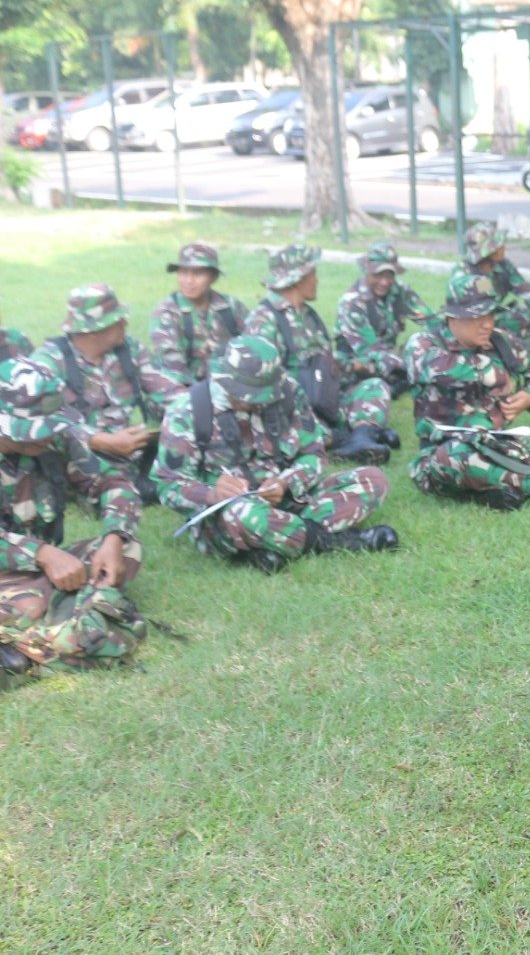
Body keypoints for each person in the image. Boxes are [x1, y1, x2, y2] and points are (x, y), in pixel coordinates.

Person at [153, 335, 398, 575]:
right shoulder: (188, 412)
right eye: (246, 396)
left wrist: (286, 482)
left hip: (289, 499)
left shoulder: (288, 393)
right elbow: (168, 485)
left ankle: (273, 542)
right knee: (246, 516)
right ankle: (335, 541)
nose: (255, 404)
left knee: (373, 479)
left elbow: (314, 453)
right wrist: (212, 493)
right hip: (230, 515)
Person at [0, 357, 147, 683]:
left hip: (35, 571)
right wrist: (42, 554)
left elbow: (114, 485)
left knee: (127, 550)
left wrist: (112, 538)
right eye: (33, 431)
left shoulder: (54, 440)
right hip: (27, 565)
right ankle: (70, 617)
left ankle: (35, 631)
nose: (44, 438)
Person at [407, 273, 530, 511]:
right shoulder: (425, 343)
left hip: (499, 447)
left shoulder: (499, 341)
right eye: (477, 316)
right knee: (454, 457)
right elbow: (440, 369)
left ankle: (496, 487)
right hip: (448, 451)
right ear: (453, 316)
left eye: (490, 314)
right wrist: (498, 373)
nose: (487, 323)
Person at [31, 283, 185, 505]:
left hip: (130, 448)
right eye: (117, 320)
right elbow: (41, 423)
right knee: (117, 489)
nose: (125, 323)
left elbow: (167, 391)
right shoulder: (48, 363)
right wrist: (103, 441)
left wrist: (197, 408)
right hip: (81, 454)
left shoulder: (129, 350)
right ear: (94, 331)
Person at [243, 243, 394, 464]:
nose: (317, 280)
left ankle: (360, 438)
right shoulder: (263, 322)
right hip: (290, 411)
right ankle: (349, 438)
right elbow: (260, 388)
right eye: (313, 273)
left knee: (374, 387)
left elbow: (324, 363)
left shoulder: (308, 315)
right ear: (298, 278)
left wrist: (354, 365)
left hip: (323, 401)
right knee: (302, 431)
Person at [335, 241, 433, 399]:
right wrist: (409, 364)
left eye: (390, 275)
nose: (385, 282)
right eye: (378, 275)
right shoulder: (352, 302)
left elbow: (430, 320)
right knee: (373, 366)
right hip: (362, 359)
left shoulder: (400, 291)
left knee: (424, 345)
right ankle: (400, 380)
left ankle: (402, 378)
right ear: (366, 271)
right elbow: (370, 349)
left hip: (389, 355)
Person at [454, 221, 530, 348]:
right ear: (488, 251)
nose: (503, 246)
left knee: (528, 316)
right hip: (471, 323)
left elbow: (528, 293)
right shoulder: (465, 274)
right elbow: (464, 314)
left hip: (492, 316)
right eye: (498, 245)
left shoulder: (503, 266)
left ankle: (500, 339)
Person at [149, 241, 250, 384]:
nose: (189, 281)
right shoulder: (166, 312)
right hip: (182, 391)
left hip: (229, 387)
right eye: (183, 273)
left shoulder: (231, 307)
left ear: (213, 277)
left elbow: (254, 346)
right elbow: (173, 370)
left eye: (198, 274)